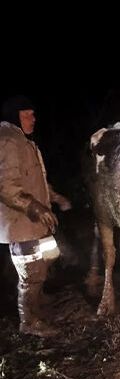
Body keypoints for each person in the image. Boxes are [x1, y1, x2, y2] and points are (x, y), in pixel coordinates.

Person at [0, 95, 72, 336]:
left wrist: (53, 196)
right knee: (31, 273)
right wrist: (35, 207)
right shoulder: (8, 140)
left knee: (49, 256)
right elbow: (6, 187)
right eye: (26, 114)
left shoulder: (25, 141)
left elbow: (36, 179)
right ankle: (28, 321)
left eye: (33, 113)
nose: (33, 118)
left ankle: (37, 300)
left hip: (37, 222)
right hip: (21, 223)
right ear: (14, 115)